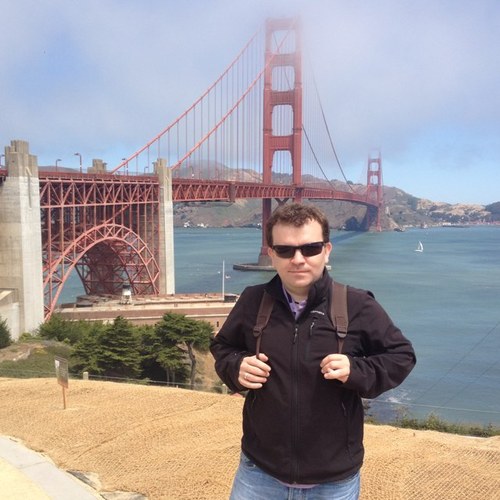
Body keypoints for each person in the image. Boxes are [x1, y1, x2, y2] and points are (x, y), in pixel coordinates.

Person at [210, 203, 416, 499]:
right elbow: (223, 347)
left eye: (310, 248)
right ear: (271, 253)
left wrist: (356, 371)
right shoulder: (253, 300)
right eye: (285, 250)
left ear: (327, 250)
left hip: (333, 481)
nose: (298, 259)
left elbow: (401, 356)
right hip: (259, 472)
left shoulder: (357, 304)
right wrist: (236, 366)